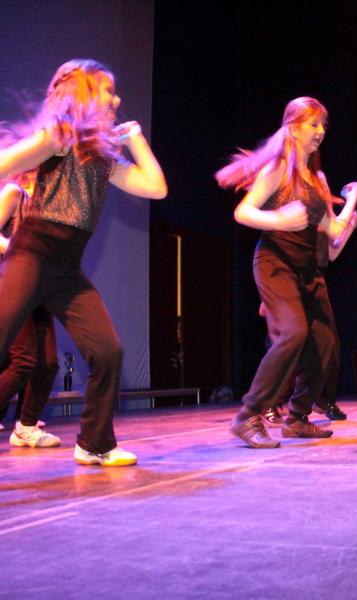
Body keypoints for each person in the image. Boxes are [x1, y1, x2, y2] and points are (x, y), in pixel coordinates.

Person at [0, 59, 167, 466]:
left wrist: (136, 140)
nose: (117, 100)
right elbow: (6, 162)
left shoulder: (103, 158)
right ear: (86, 94)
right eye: (109, 91)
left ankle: (94, 443)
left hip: (67, 268)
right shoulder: (59, 136)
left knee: (108, 351)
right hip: (32, 254)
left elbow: (155, 188)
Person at [216, 96, 357, 448]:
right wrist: (279, 218)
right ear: (293, 128)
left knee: (325, 345)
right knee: (293, 333)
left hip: (309, 271)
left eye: (323, 125)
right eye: (313, 124)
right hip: (275, 263)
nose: (320, 131)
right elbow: (243, 212)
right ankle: (248, 415)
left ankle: (297, 418)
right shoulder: (279, 169)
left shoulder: (316, 180)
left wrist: (351, 204)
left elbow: (333, 231)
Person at [261, 214, 357, 426]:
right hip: (292, 280)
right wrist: (351, 204)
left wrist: (349, 225)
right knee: (291, 346)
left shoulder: (321, 226)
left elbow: (331, 252)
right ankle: (269, 402)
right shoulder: (302, 219)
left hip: (314, 284)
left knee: (329, 347)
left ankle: (322, 400)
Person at [0, 176, 58, 446]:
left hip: (40, 287)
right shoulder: (14, 193)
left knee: (48, 363)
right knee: (24, 360)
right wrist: (17, 249)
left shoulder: (49, 203)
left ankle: (26, 426)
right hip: (13, 282)